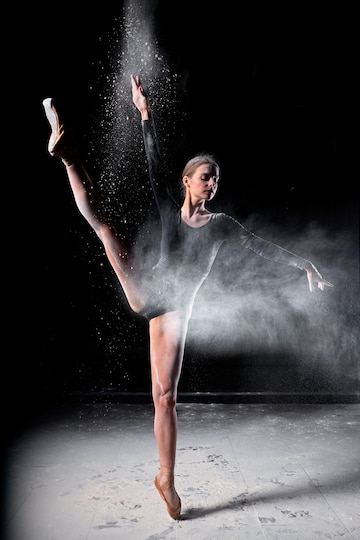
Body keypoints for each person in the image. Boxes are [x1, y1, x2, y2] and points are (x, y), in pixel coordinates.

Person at [42, 74, 333, 520]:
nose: (211, 184)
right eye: (204, 178)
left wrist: (307, 266)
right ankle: (68, 155)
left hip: (177, 309)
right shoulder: (167, 203)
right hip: (147, 290)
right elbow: (154, 163)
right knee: (104, 227)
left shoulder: (221, 225)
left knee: (165, 397)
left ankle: (166, 477)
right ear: (187, 182)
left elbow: (262, 246)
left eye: (215, 180)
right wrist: (144, 114)